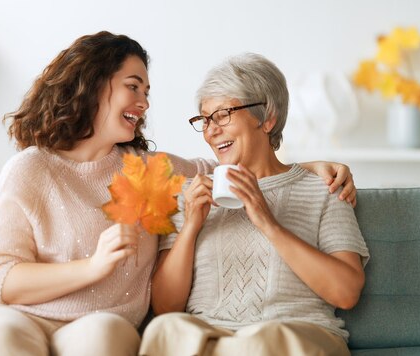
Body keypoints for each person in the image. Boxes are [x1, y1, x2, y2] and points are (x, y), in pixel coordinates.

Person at [0, 32, 357, 356]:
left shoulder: (150, 168)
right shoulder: (31, 168)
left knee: (104, 337)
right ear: (93, 86)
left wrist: (311, 168)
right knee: (1, 343)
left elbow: (238, 167)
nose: (144, 103)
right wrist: (94, 267)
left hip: (99, 323)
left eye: (147, 91)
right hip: (15, 315)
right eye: (133, 87)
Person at [140, 53, 370, 356]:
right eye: (205, 119)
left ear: (267, 118)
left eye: (223, 114)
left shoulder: (324, 188)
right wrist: (191, 227)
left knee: (258, 342)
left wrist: (268, 222)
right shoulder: (190, 195)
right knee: (164, 330)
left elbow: (347, 292)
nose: (210, 131)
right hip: (211, 335)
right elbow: (166, 307)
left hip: (291, 333)